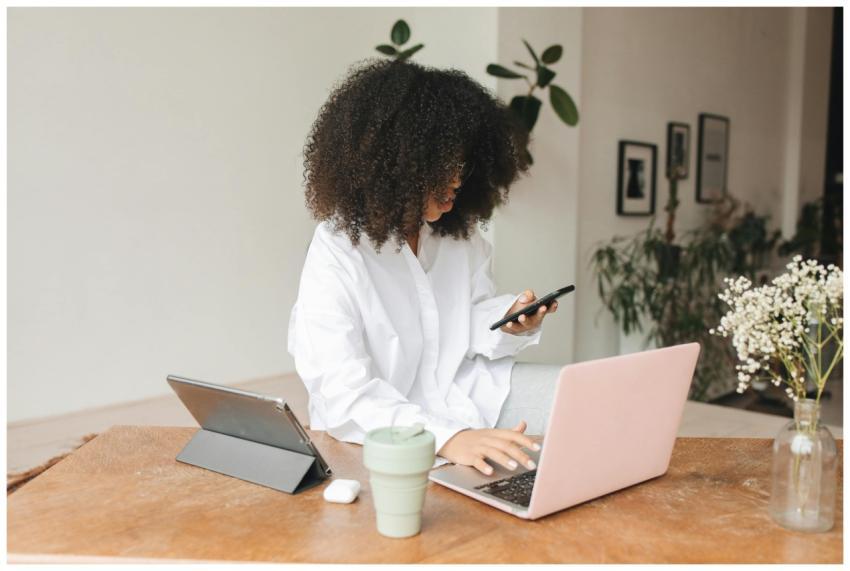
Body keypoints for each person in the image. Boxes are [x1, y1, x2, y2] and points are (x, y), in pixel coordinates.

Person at [288, 58, 559, 476]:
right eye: (441, 167)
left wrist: (506, 323)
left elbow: (464, 323)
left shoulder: (460, 238)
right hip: (377, 429)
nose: (455, 181)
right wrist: (449, 438)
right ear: (395, 165)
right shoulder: (338, 249)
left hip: (463, 394)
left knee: (583, 400)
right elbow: (341, 392)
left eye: (463, 166)